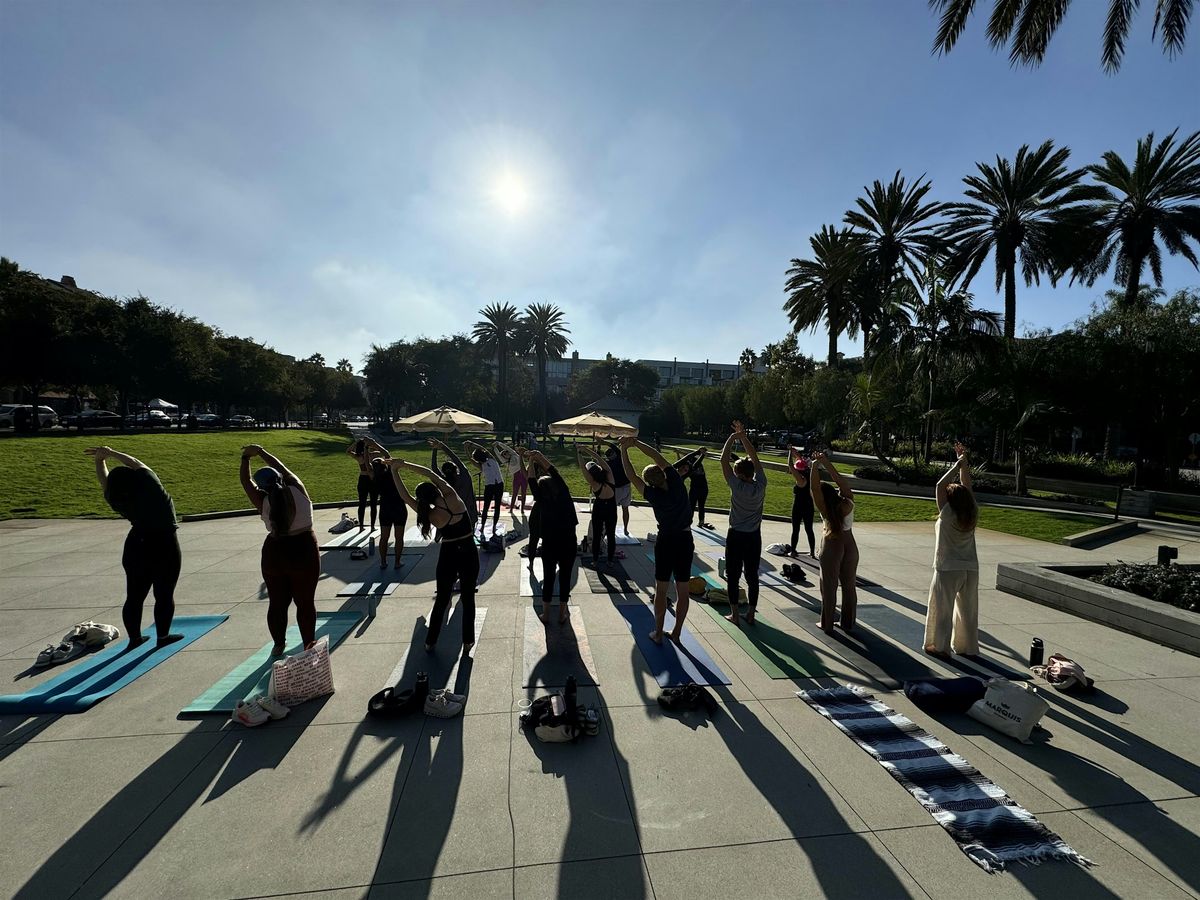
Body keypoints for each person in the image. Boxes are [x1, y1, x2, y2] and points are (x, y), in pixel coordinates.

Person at [86, 446, 183, 649]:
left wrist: (99, 461)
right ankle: (163, 637)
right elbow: (136, 463)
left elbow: (106, 483)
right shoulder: (153, 489)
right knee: (164, 593)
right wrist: (111, 452)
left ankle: (135, 639)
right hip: (164, 543)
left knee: (134, 596)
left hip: (136, 545)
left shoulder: (116, 497)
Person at [388, 457, 478, 653]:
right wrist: (404, 464)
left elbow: (404, 496)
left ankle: (430, 642)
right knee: (468, 597)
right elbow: (430, 474)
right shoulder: (451, 496)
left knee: (442, 599)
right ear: (435, 491)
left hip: (449, 554)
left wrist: (394, 471)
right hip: (468, 550)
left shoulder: (430, 514)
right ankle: (468, 641)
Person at [239, 444, 319, 655]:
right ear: (280, 479)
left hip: (275, 552)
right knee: (305, 604)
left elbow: (245, 482)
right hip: (304, 549)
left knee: (277, 603)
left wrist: (245, 458)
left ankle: (278, 645)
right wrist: (261, 452)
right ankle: (308, 646)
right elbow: (281, 467)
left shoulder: (263, 500)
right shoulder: (297, 489)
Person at [621, 436, 694, 644]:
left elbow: (630, 475)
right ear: (662, 474)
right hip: (685, 538)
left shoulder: (652, 494)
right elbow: (656, 455)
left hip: (666, 541)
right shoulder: (677, 482)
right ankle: (677, 633)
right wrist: (635, 442)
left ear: (650, 482)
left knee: (661, 589)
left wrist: (623, 450)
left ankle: (659, 633)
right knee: (683, 589)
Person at [923, 443, 980, 656]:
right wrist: (964, 464)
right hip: (970, 569)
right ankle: (967, 647)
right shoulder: (972, 511)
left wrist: (957, 464)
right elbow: (967, 485)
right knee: (968, 612)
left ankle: (940, 646)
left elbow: (939, 485)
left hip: (947, 568)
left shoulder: (947, 514)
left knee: (942, 611)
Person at [720, 421, 767, 626]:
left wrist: (733, 438)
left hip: (736, 535)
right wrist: (744, 437)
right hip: (754, 537)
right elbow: (755, 460)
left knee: (733, 575)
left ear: (739, 475)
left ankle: (735, 615)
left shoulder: (736, 485)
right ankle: (751, 614)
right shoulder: (761, 484)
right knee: (751, 575)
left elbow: (723, 460)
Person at [527, 449, 577, 624]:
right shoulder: (565, 494)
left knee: (548, 578)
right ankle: (562, 613)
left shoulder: (541, 500)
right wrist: (539, 456)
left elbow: (531, 480)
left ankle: (546, 614)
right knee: (565, 578)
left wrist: (531, 462)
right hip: (569, 542)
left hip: (550, 544)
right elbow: (554, 471)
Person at [809, 452, 857, 634]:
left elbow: (814, 489)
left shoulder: (825, 509)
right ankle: (848, 622)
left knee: (828, 586)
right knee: (849, 586)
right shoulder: (848, 502)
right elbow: (840, 480)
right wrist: (825, 463)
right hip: (850, 545)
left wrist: (814, 466)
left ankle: (827, 623)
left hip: (832, 545)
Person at [577, 445, 617, 567]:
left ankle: (595, 560)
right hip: (611, 508)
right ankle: (610, 561)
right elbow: (599, 459)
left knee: (596, 535)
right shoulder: (610, 476)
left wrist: (579, 452)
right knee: (611, 535)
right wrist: (587, 449)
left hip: (599, 508)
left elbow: (583, 468)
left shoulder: (593, 483)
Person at [368, 449, 408, 571]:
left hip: (385, 508)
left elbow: (367, 464)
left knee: (384, 537)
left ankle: (383, 562)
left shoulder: (374, 477)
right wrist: (375, 445)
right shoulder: (391, 473)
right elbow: (387, 454)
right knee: (399, 537)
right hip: (398, 507)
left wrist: (366, 451)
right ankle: (397, 562)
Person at [430, 438, 477, 529]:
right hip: (469, 515)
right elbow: (457, 460)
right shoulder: (465, 477)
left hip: (452, 519)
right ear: (456, 469)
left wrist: (435, 449)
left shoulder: (443, 482)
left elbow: (434, 468)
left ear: (443, 471)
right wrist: (442, 446)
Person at [464, 440, 504, 537]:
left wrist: (468, 446)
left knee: (492, 507)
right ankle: (484, 526)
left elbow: (471, 458)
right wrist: (471, 445)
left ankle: (492, 526)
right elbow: (480, 452)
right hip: (494, 485)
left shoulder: (489, 460)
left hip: (496, 485)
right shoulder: (489, 461)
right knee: (487, 507)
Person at [786, 447, 817, 557]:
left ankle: (793, 551)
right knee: (809, 529)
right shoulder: (808, 475)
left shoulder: (800, 480)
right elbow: (802, 463)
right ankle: (812, 552)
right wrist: (796, 454)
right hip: (809, 506)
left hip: (799, 506)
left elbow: (790, 466)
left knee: (796, 529)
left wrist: (790, 453)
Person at [346, 438, 381, 532]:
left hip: (363, 480)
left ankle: (361, 526)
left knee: (362, 504)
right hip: (372, 480)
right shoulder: (372, 455)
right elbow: (382, 452)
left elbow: (348, 451)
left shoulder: (359, 457)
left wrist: (356, 442)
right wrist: (372, 443)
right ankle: (372, 526)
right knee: (373, 504)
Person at [677, 447, 711, 529]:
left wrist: (678, 453)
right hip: (703, 488)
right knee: (701, 506)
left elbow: (681, 463)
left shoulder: (690, 471)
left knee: (691, 506)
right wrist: (702, 455)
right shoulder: (698, 468)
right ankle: (701, 521)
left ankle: (689, 522)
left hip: (695, 489)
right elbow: (690, 461)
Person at [604, 443, 633, 536]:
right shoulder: (620, 460)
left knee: (612, 510)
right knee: (625, 508)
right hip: (627, 486)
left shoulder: (608, 464)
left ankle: (610, 529)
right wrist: (604, 442)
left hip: (617, 489)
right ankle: (625, 529)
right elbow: (616, 449)